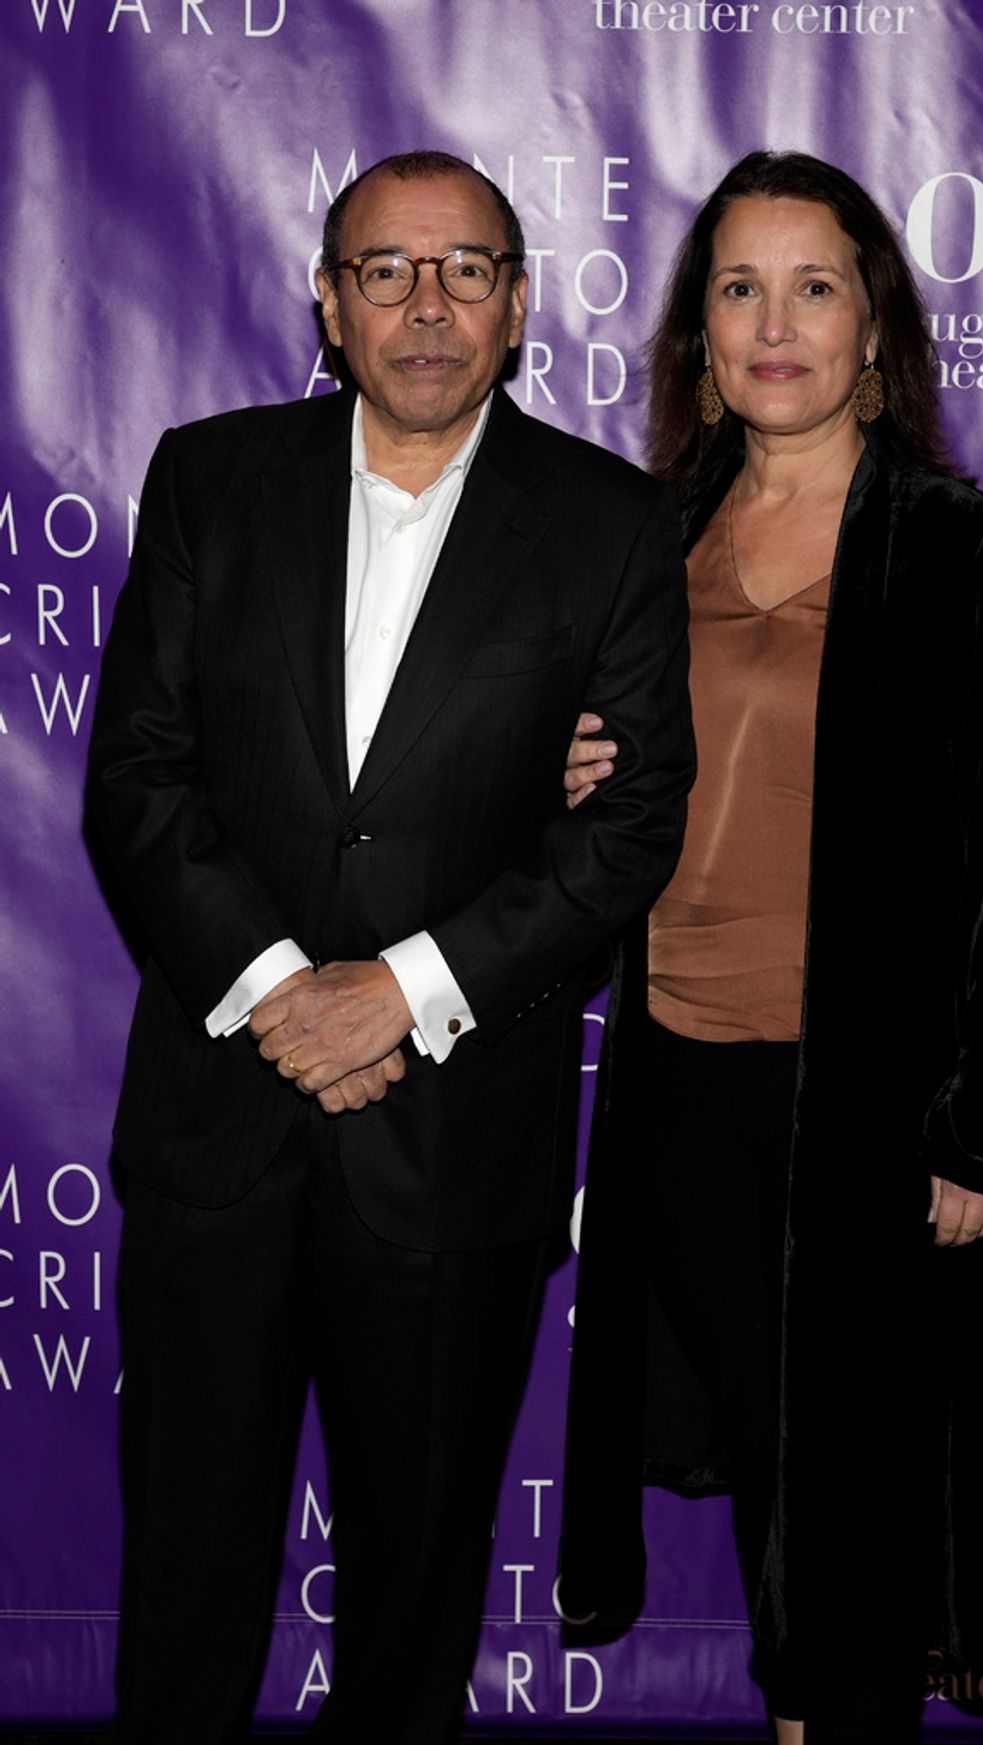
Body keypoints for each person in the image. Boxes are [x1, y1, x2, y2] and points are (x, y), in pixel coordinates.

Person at [87, 150, 693, 1743]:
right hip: (219, 1139)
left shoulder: (613, 526)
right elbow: (136, 779)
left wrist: (403, 994)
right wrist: (287, 995)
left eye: (465, 270)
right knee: (183, 1605)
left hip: (454, 1153)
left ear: (518, 303)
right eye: (387, 271)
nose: (428, 306)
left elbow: (631, 824)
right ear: (329, 302)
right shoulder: (210, 478)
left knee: (415, 1623)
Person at [558, 151, 983, 1744]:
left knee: (842, 1525)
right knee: (791, 1508)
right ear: (701, 335)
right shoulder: (649, 538)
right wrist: (566, 772)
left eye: (814, 287)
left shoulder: (957, 547)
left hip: (866, 1115)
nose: (775, 325)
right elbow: (594, 804)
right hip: (680, 1095)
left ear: (874, 328)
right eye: (739, 288)